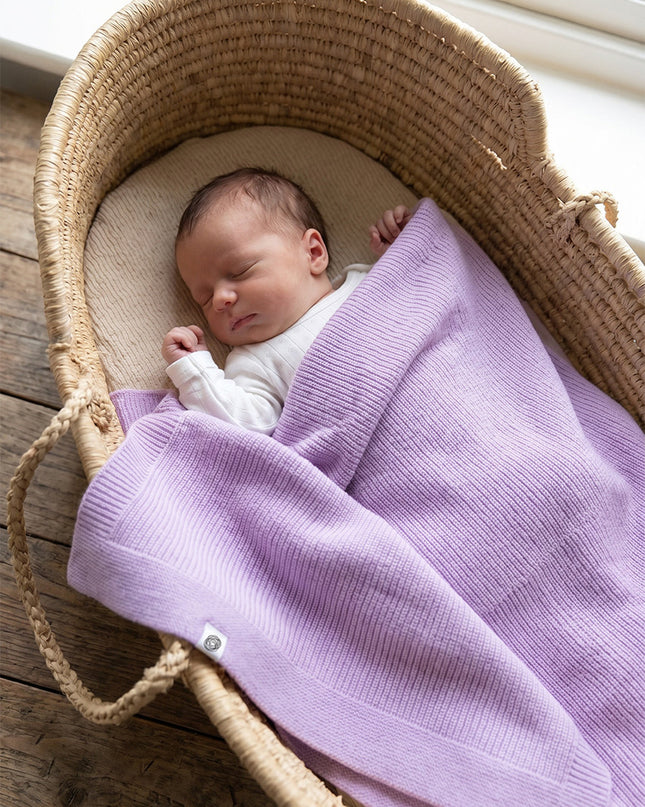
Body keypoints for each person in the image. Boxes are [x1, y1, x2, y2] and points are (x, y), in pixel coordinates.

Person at [162, 167, 411, 434]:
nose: (221, 299)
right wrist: (196, 371)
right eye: (205, 298)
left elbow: (427, 291)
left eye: (240, 271)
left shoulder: (367, 283)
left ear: (313, 253)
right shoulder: (254, 361)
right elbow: (244, 429)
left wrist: (405, 246)